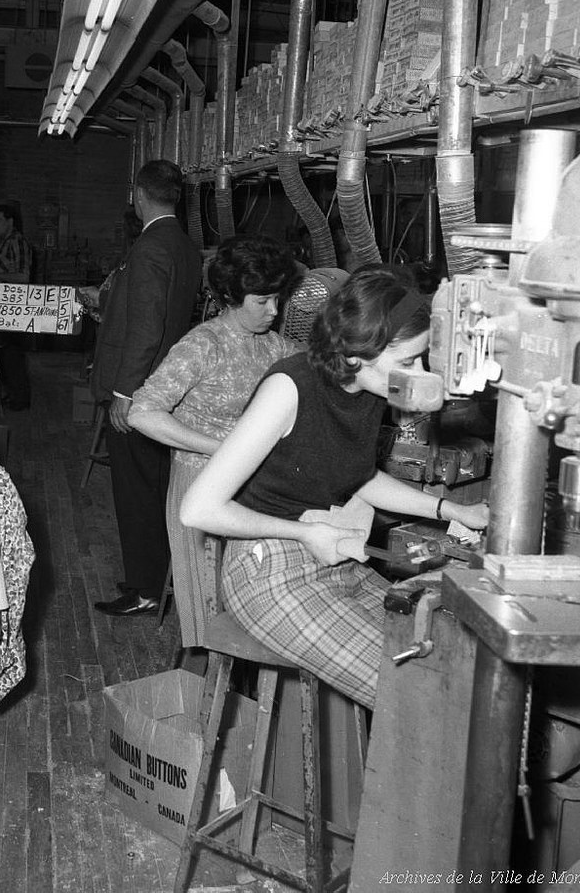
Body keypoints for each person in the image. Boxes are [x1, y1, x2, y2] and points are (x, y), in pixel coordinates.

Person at [180, 267, 489, 707]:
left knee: (448, 661)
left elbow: (357, 476)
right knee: (420, 698)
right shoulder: (289, 389)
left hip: (338, 556)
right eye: (407, 362)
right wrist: (304, 533)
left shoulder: (367, 391)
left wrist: (453, 511)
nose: (417, 373)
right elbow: (198, 510)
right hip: (270, 571)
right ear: (356, 352)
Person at [127, 235, 303, 647]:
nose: (273, 311)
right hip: (202, 486)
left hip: (255, 487)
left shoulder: (275, 346)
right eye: (262, 302)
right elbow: (142, 413)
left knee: (255, 606)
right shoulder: (201, 345)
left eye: (277, 299)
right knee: (211, 615)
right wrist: (220, 448)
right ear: (230, 296)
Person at [91, 160, 202, 617]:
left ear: (139, 193)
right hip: (165, 384)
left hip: (142, 390)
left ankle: (145, 588)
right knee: (151, 487)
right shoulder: (184, 245)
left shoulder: (150, 246)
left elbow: (146, 327)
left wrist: (125, 392)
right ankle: (150, 572)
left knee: (136, 492)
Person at [0, 202, 33, 410]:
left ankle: (20, 399)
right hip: (4, 306)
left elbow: (24, 276)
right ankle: (13, 394)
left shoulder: (17, 242)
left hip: (15, 306)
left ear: (10, 221)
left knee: (13, 355)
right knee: (6, 354)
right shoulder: (5, 243)